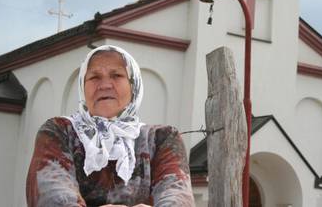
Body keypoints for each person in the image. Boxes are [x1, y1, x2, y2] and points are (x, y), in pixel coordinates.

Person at [26, 45, 195, 207]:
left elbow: (176, 196)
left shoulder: (161, 139)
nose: (105, 85)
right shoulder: (60, 131)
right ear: (82, 87)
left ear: (133, 86)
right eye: (94, 77)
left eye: (116, 75)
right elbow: (52, 195)